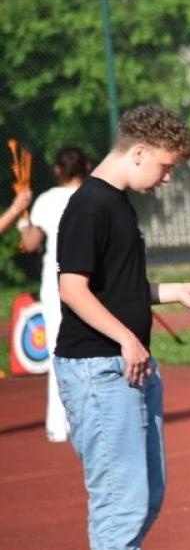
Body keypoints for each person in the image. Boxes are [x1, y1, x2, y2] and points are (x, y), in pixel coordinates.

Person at [56, 105, 190, 550]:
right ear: (139, 151)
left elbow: (117, 286)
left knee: (145, 494)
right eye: (167, 167)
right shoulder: (89, 207)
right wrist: (126, 339)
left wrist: (173, 293)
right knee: (120, 496)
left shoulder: (118, 205)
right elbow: (73, 289)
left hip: (129, 366)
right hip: (100, 368)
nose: (168, 178)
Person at [19, 147, 93, 443]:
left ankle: (57, 425)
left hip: (56, 281)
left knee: (56, 349)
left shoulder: (47, 200)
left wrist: (24, 220)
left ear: (58, 170)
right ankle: (83, 421)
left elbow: (30, 243)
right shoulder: (94, 195)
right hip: (90, 279)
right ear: (86, 167)